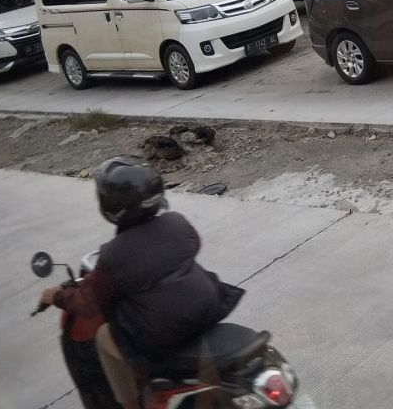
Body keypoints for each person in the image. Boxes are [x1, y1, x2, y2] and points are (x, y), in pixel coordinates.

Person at [39, 157, 244, 409]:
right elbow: (194, 244)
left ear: (109, 204)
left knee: (104, 336)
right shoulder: (177, 222)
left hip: (164, 332)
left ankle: (130, 403)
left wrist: (55, 296)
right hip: (208, 309)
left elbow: (87, 303)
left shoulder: (113, 255)